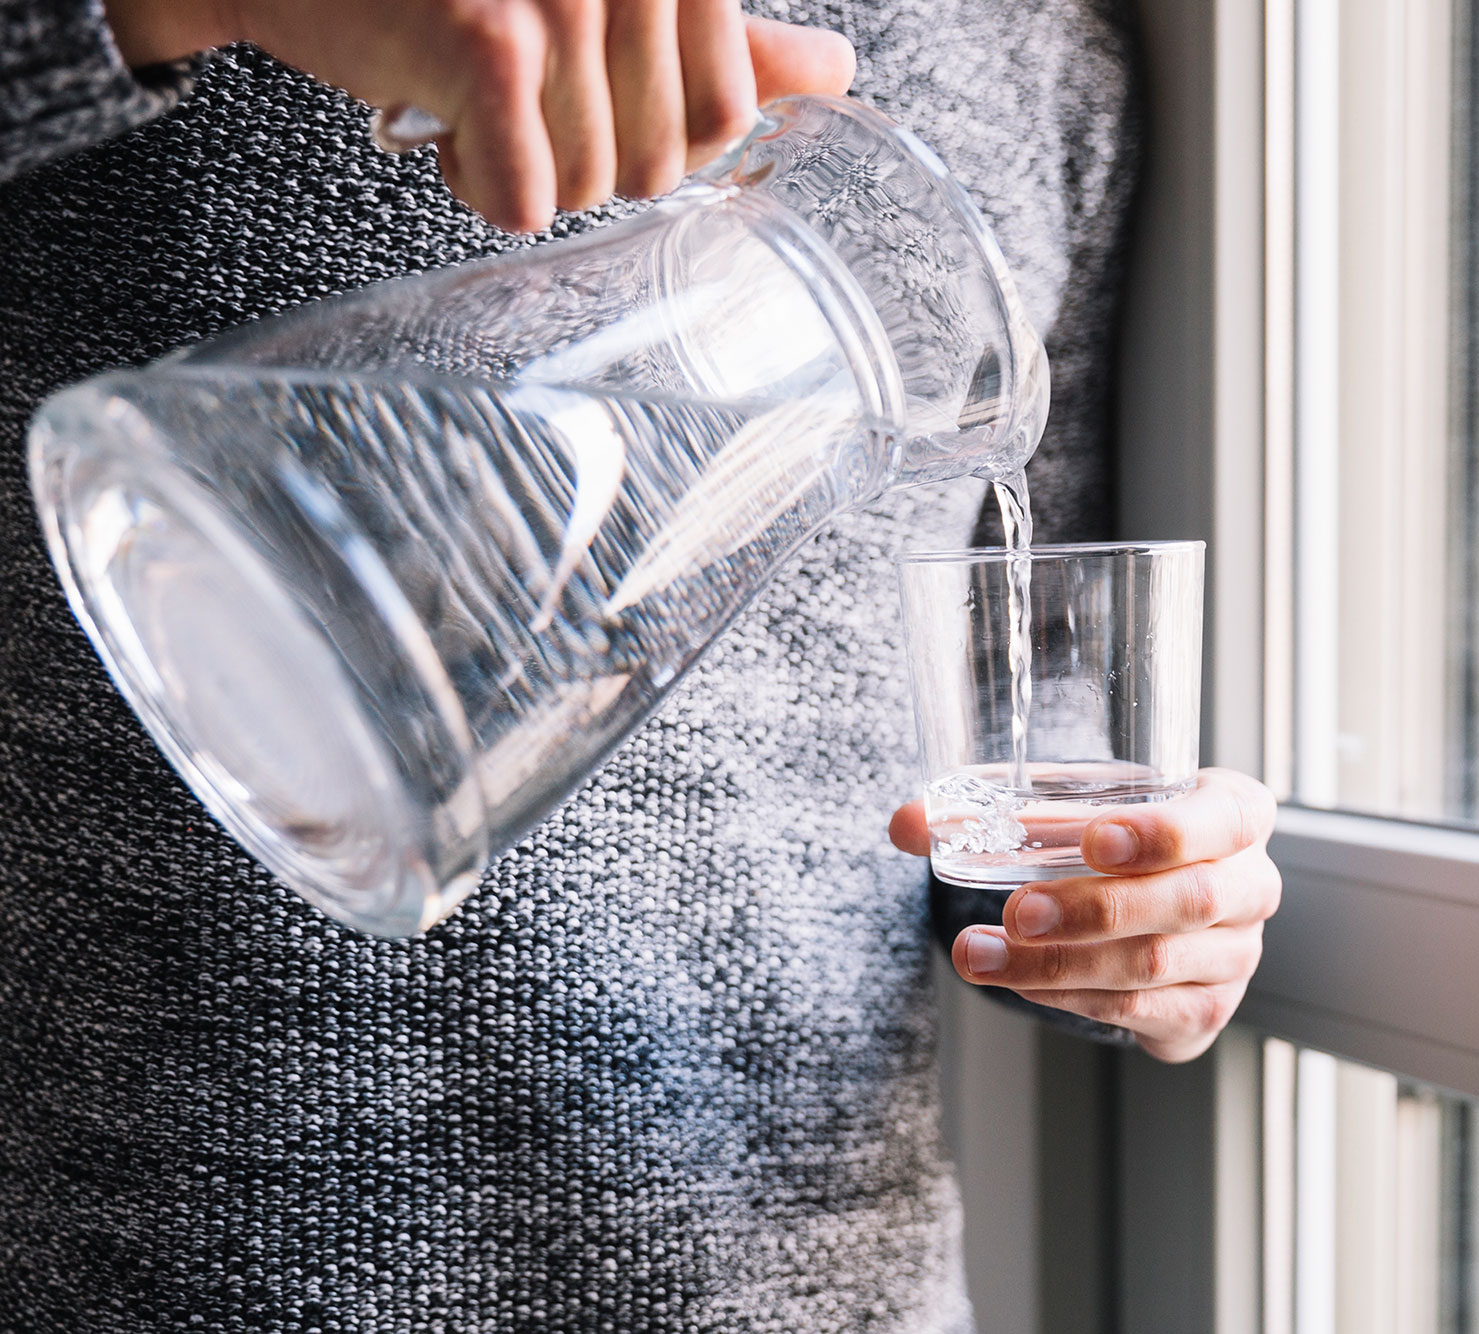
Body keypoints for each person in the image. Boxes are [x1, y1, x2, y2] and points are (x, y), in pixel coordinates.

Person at [0, 0, 1280, 1327]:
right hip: (153, 1261)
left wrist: (1137, 916)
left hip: (803, 1280)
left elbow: (1024, 706)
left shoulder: (1045, 52)